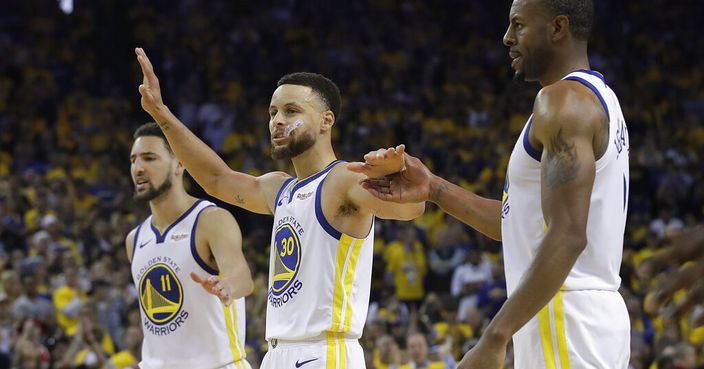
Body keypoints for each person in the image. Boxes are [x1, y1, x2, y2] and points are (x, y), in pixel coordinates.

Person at [351, 0, 631, 368]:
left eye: (518, 25)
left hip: (567, 311)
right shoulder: (600, 99)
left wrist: (494, 337)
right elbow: (520, 226)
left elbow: (567, 235)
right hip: (586, 315)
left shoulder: (561, 101)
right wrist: (436, 189)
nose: (506, 38)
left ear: (558, 27)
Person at [134, 48, 425, 369]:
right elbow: (217, 179)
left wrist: (401, 178)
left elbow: (410, 210)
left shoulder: (344, 179)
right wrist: (160, 113)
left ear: (327, 120)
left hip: (325, 352)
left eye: (290, 110)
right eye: (273, 112)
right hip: (277, 353)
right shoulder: (280, 189)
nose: (277, 121)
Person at [125, 123, 253, 369]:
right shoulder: (134, 239)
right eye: (133, 160)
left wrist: (227, 285)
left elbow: (243, 277)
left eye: (149, 158)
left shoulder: (210, 220)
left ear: (179, 164)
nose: (138, 168)